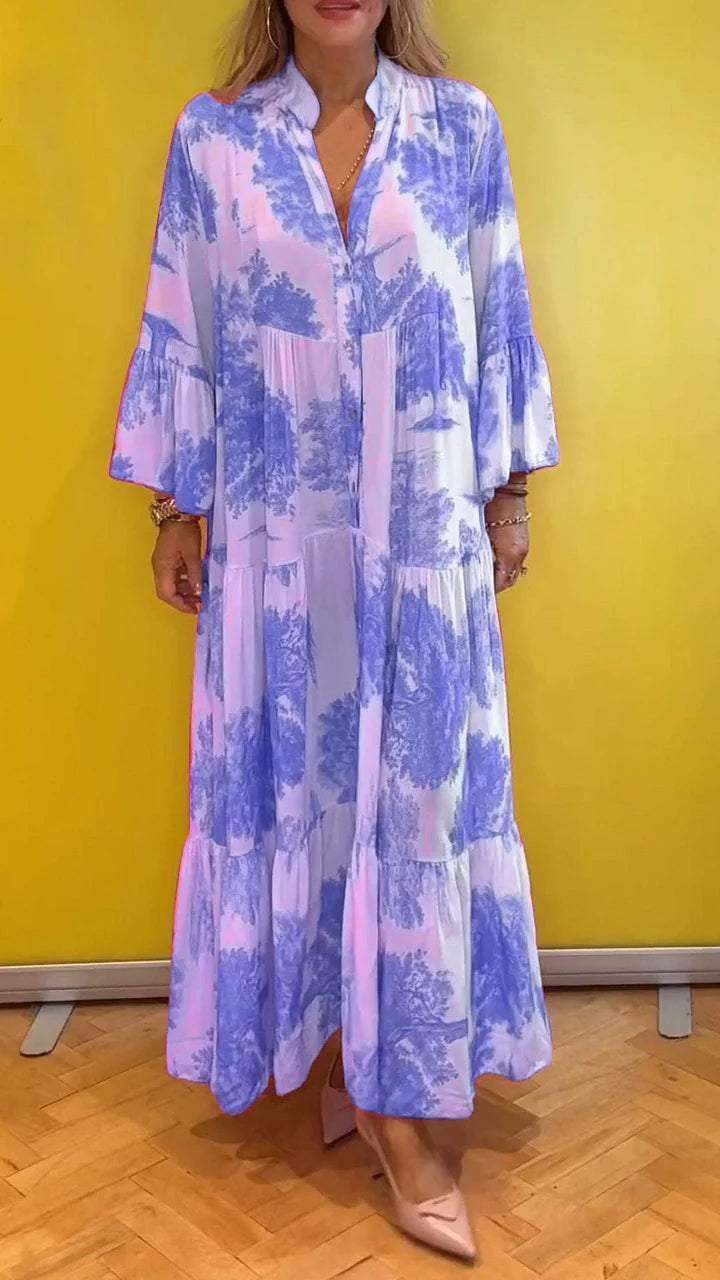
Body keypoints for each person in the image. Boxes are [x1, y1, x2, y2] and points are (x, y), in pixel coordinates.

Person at [108, 0, 560, 1260]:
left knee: (414, 809)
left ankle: (398, 1107)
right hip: (279, 552)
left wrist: (510, 493)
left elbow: (497, 309)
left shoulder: (461, 131)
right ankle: (338, 1058)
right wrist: (173, 509)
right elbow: (183, 325)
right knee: (300, 802)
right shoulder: (214, 142)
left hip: (420, 545)